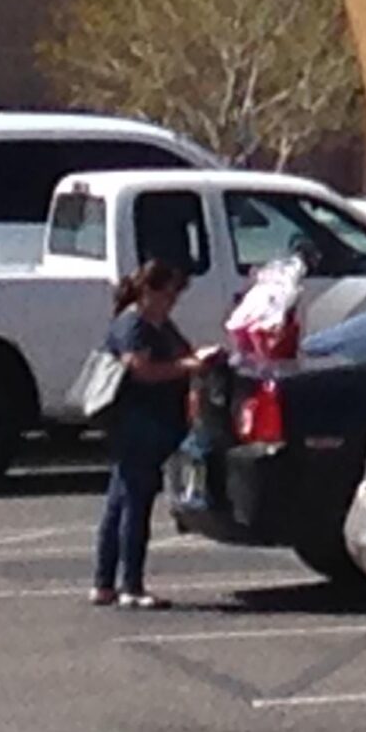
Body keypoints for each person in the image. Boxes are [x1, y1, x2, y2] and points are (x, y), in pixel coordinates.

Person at [91, 260, 213, 610]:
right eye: (168, 293)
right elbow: (141, 370)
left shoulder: (157, 323)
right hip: (136, 423)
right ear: (148, 291)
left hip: (151, 422)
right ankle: (131, 585)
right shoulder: (134, 324)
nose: (173, 300)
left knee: (120, 500)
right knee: (135, 502)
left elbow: (179, 352)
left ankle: (104, 583)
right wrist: (187, 367)